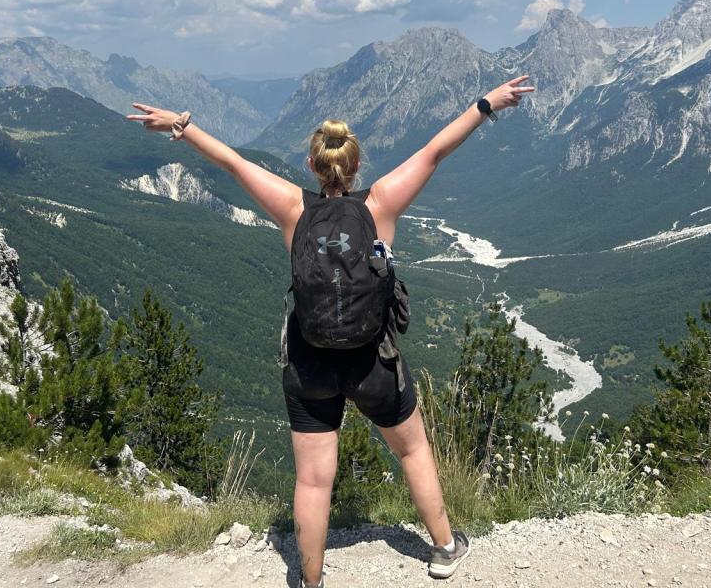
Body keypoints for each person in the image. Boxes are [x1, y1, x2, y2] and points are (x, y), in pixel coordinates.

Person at [126, 74, 535, 586]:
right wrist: (485, 104)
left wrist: (181, 126)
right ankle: (445, 548)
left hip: (309, 363)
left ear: (311, 167)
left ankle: (312, 581)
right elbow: (434, 152)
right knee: (412, 450)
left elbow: (231, 162)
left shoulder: (294, 209)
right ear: (357, 165)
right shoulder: (381, 204)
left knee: (314, 481)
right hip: (373, 362)